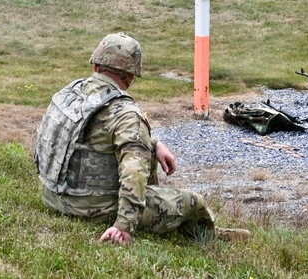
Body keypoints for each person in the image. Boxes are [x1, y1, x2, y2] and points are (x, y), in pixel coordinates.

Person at [34, 33, 249, 244]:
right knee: (194, 201)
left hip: (54, 197)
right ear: (130, 76)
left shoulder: (72, 93)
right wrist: (124, 226)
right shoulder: (125, 113)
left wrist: (153, 144)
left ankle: (155, 203)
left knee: (143, 153)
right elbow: (133, 171)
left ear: (96, 66)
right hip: (94, 208)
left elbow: (84, 139)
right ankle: (209, 236)